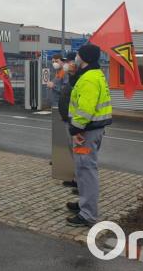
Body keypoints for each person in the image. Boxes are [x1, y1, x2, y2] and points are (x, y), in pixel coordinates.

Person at [66, 44, 112, 227]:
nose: (75, 57)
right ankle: (85, 203)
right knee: (83, 169)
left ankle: (88, 214)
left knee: (86, 170)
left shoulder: (89, 79)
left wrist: (76, 130)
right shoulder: (94, 75)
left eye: (77, 54)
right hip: (92, 130)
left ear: (83, 57)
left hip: (86, 132)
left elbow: (85, 109)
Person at [58, 52, 79, 189]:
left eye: (69, 61)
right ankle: (77, 179)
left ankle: (80, 183)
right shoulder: (71, 78)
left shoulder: (79, 79)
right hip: (68, 119)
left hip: (75, 122)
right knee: (73, 152)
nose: (66, 64)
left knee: (79, 154)